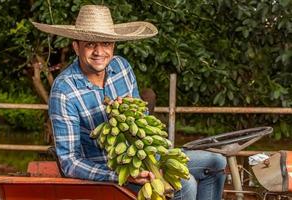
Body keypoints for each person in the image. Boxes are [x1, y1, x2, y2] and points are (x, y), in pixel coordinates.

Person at [32, 5, 226, 200]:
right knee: (185, 184)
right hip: (111, 170)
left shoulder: (122, 67)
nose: (99, 52)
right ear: (76, 46)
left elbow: (142, 122)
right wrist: (121, 175)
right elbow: (69, 162)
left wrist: (129, 111)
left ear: (113, 45)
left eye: (106, 43)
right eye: (90, 44)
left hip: (146, 156)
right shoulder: (64, 90)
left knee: (217, 162)